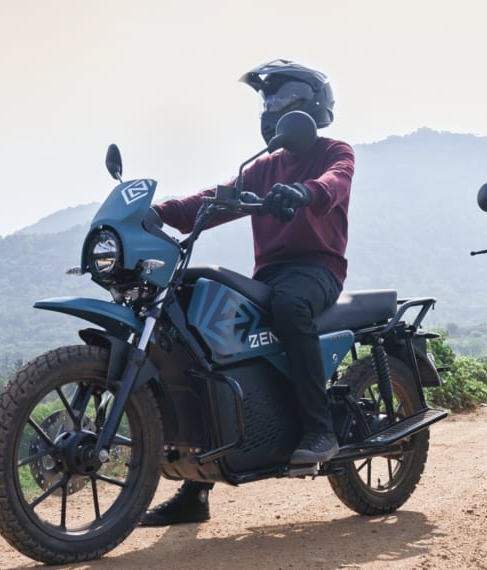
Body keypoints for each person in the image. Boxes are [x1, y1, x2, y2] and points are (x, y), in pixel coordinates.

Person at [140, 59, 353, 526]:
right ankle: (196, 488)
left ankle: (320, 431)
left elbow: (334, 183)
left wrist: (304, 193)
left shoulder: (334, 151)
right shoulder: (263, 168)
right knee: (199, 327)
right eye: (267, 100)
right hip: (270, 273)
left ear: (312, 107)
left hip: (317, 270)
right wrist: (159, 212)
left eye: (284, 98)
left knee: (289, 306)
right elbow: (215, 198)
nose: (272, 108)